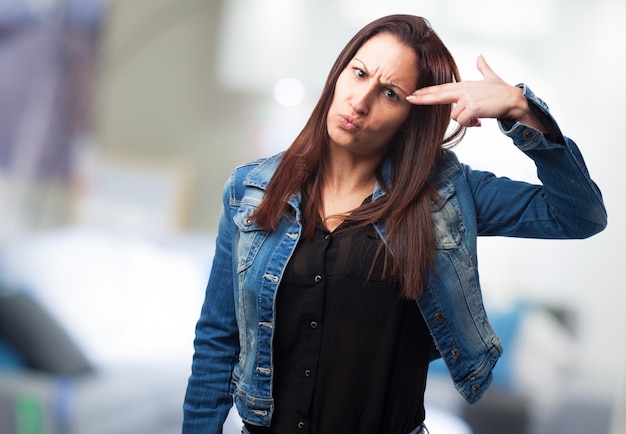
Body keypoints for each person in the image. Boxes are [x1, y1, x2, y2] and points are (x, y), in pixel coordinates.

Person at [182, 14, 607, 434]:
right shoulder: (250, 189)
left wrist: (521, 109)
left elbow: (578, 214)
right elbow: (219, 339)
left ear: (411, 115)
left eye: (389, 93)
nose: (360, 102)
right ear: (338, 74)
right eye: (359, 73)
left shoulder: (444, 195)